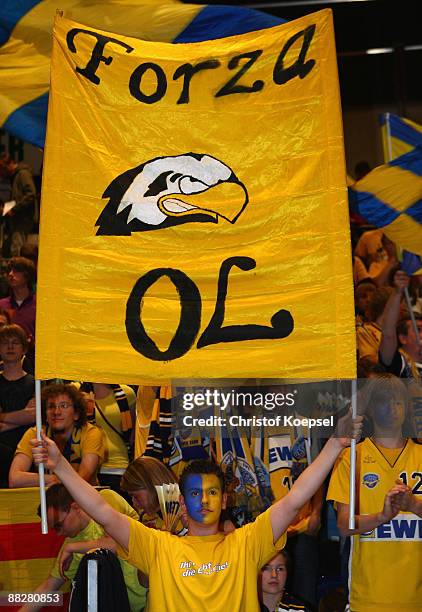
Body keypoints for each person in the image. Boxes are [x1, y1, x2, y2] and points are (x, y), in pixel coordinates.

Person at [31, 413, 362, 612]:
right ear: (180, 501)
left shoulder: (248, 542)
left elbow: (294, 499)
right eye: (194, 493)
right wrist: (60, 464)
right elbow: (102, 510)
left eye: (212, 492)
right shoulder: (158, 546)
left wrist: (334, 444)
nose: (203, 500)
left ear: (224, 500)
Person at [327, 375, 422, 612]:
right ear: (369, 408)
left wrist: (414, 506)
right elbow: (343, 526)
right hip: (369, 598)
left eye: (398, 402)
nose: (392, 407)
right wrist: (382, 516)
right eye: (384, 401)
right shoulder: (351, 457)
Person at [17, 483, 146, 612]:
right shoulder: (71, 545)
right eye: (54, 529)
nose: (58, 533)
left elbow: (117, 543)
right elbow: (47, 587)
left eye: (58, 525)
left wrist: (73, 547)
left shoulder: (106, 499)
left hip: (153, 595)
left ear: (75, 506)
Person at [9, 383, 105, 487]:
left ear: (76, 414)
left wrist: (47, 480)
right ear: (45, 415)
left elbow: (81, 480)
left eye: (63, 406)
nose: (56, 412)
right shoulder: (35, 433)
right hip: (48, 499)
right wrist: (58, 479)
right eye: (51, 407)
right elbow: (14, 479)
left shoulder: (91, 433)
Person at [80, 382, 136, 493]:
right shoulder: (78, 393)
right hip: (88, 469)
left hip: (119, 467)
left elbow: (133, 432)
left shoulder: (127, 393)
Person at [0, 324, 35, 481]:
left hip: (28, 448)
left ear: (24, 349)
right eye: (5, 343)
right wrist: (23, 416)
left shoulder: (35, 382)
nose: (10, 347)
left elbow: (34, 416)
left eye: (15, 342)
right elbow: (28, 416)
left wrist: (2, 416)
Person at [379, 269, 422, 378]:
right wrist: (398, 292)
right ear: (403, 338)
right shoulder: (399, 363)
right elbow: (388, 333)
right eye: (419, 329)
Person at [120, 455, 179, 528]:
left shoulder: (184, 516)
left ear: (151, 486)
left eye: (136, 496)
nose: (134, 504)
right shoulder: (146, 517)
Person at [0, 257, 36, 369]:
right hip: (5, 365)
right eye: (9, 271)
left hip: (33, 364)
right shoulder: (2, 304)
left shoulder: (40, 305)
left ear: (27, 275)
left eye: (16, 271)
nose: (11, 274)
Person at [0, 154, 38, 257]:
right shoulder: (16, 176)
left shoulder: (23, 174)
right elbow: (19, 198)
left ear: (8, 165)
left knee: (17, 250)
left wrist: (14, 209)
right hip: (18, 221)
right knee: (9, 249)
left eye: (2, 170)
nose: (2, 174)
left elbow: (30, 194)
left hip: (23, 221)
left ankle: (19, 271)